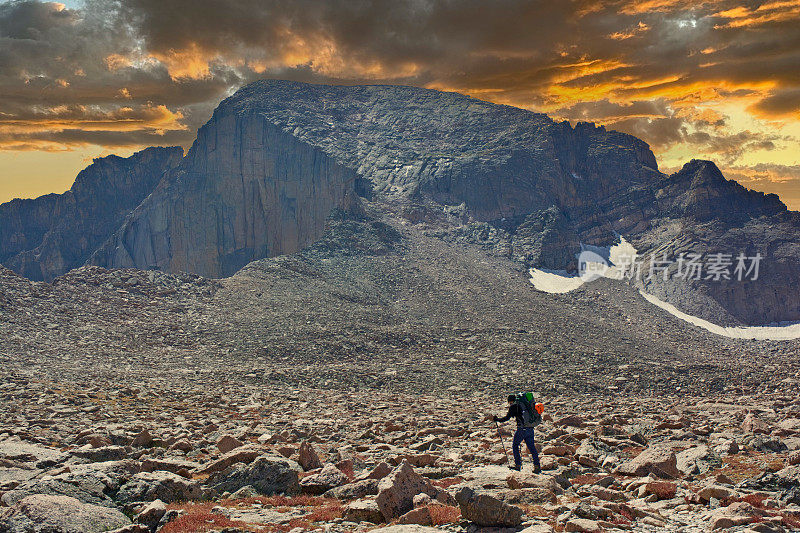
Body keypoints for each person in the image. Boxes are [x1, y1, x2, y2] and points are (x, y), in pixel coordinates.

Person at [493, 394, 541, 473]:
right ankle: (537, 466)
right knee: (532, 448)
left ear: (510, 401)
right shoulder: (525, 405)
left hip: (521, 429)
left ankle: (518, 465)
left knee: (515, 445)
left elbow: (506, 418)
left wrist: (497, 419)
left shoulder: (514, 406)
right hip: (530, 429)